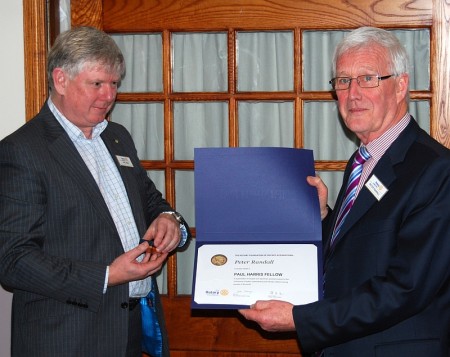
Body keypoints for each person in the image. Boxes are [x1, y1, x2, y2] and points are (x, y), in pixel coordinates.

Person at [239, 27, 450, 356]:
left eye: (368, 78)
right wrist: (325, 216)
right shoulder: (364, 158)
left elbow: (405, 288)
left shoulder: (435, 169)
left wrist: (301, 318)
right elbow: (361, 250)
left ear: (401, 86)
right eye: (342, 81)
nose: (353, 94)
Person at [0, 26, 191, 357]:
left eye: (114, 84)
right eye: (97, 84)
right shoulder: (22, 151)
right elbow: (13, 261)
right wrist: (108, 275)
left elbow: (150, 201)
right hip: (67, 339)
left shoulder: (117, 136)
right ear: (60, 80)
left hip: (129, 330)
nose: (109, 95)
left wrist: (170, 220)